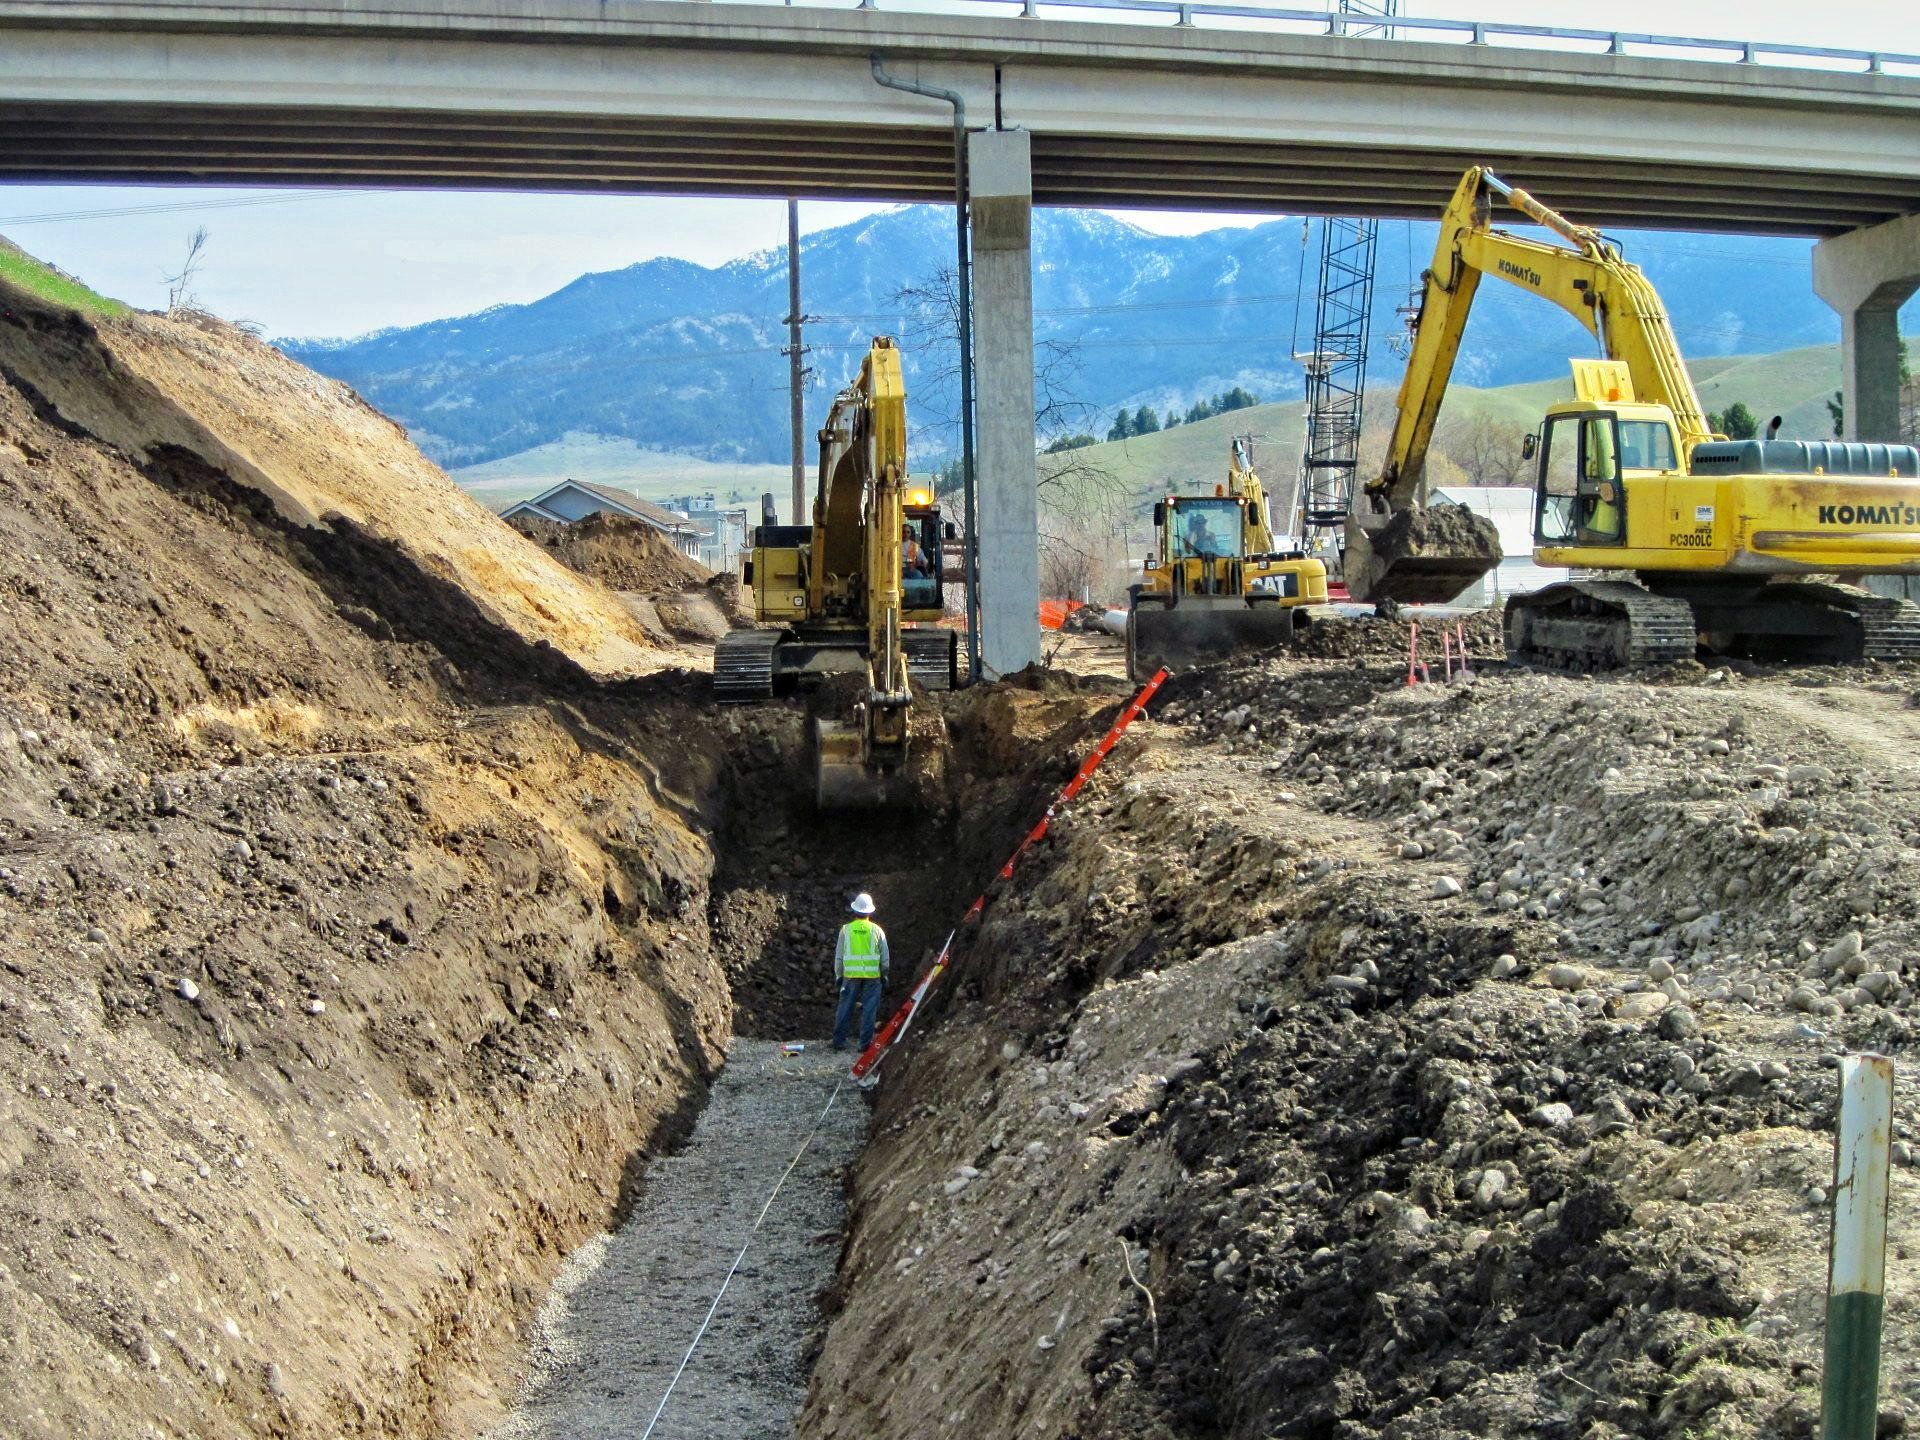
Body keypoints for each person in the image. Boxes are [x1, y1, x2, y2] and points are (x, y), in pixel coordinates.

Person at [831, 892, 889, 1053]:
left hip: (850, 976)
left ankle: (838, 1042)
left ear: (854, 910)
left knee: (845, 1007)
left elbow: (839, 956)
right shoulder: (877, 931)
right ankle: (865, 1045)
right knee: (869, 1010)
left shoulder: (846, 930)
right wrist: (884, 975)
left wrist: (838, 975)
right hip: (872, 977)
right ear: (870, 912)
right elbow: (884, 959)